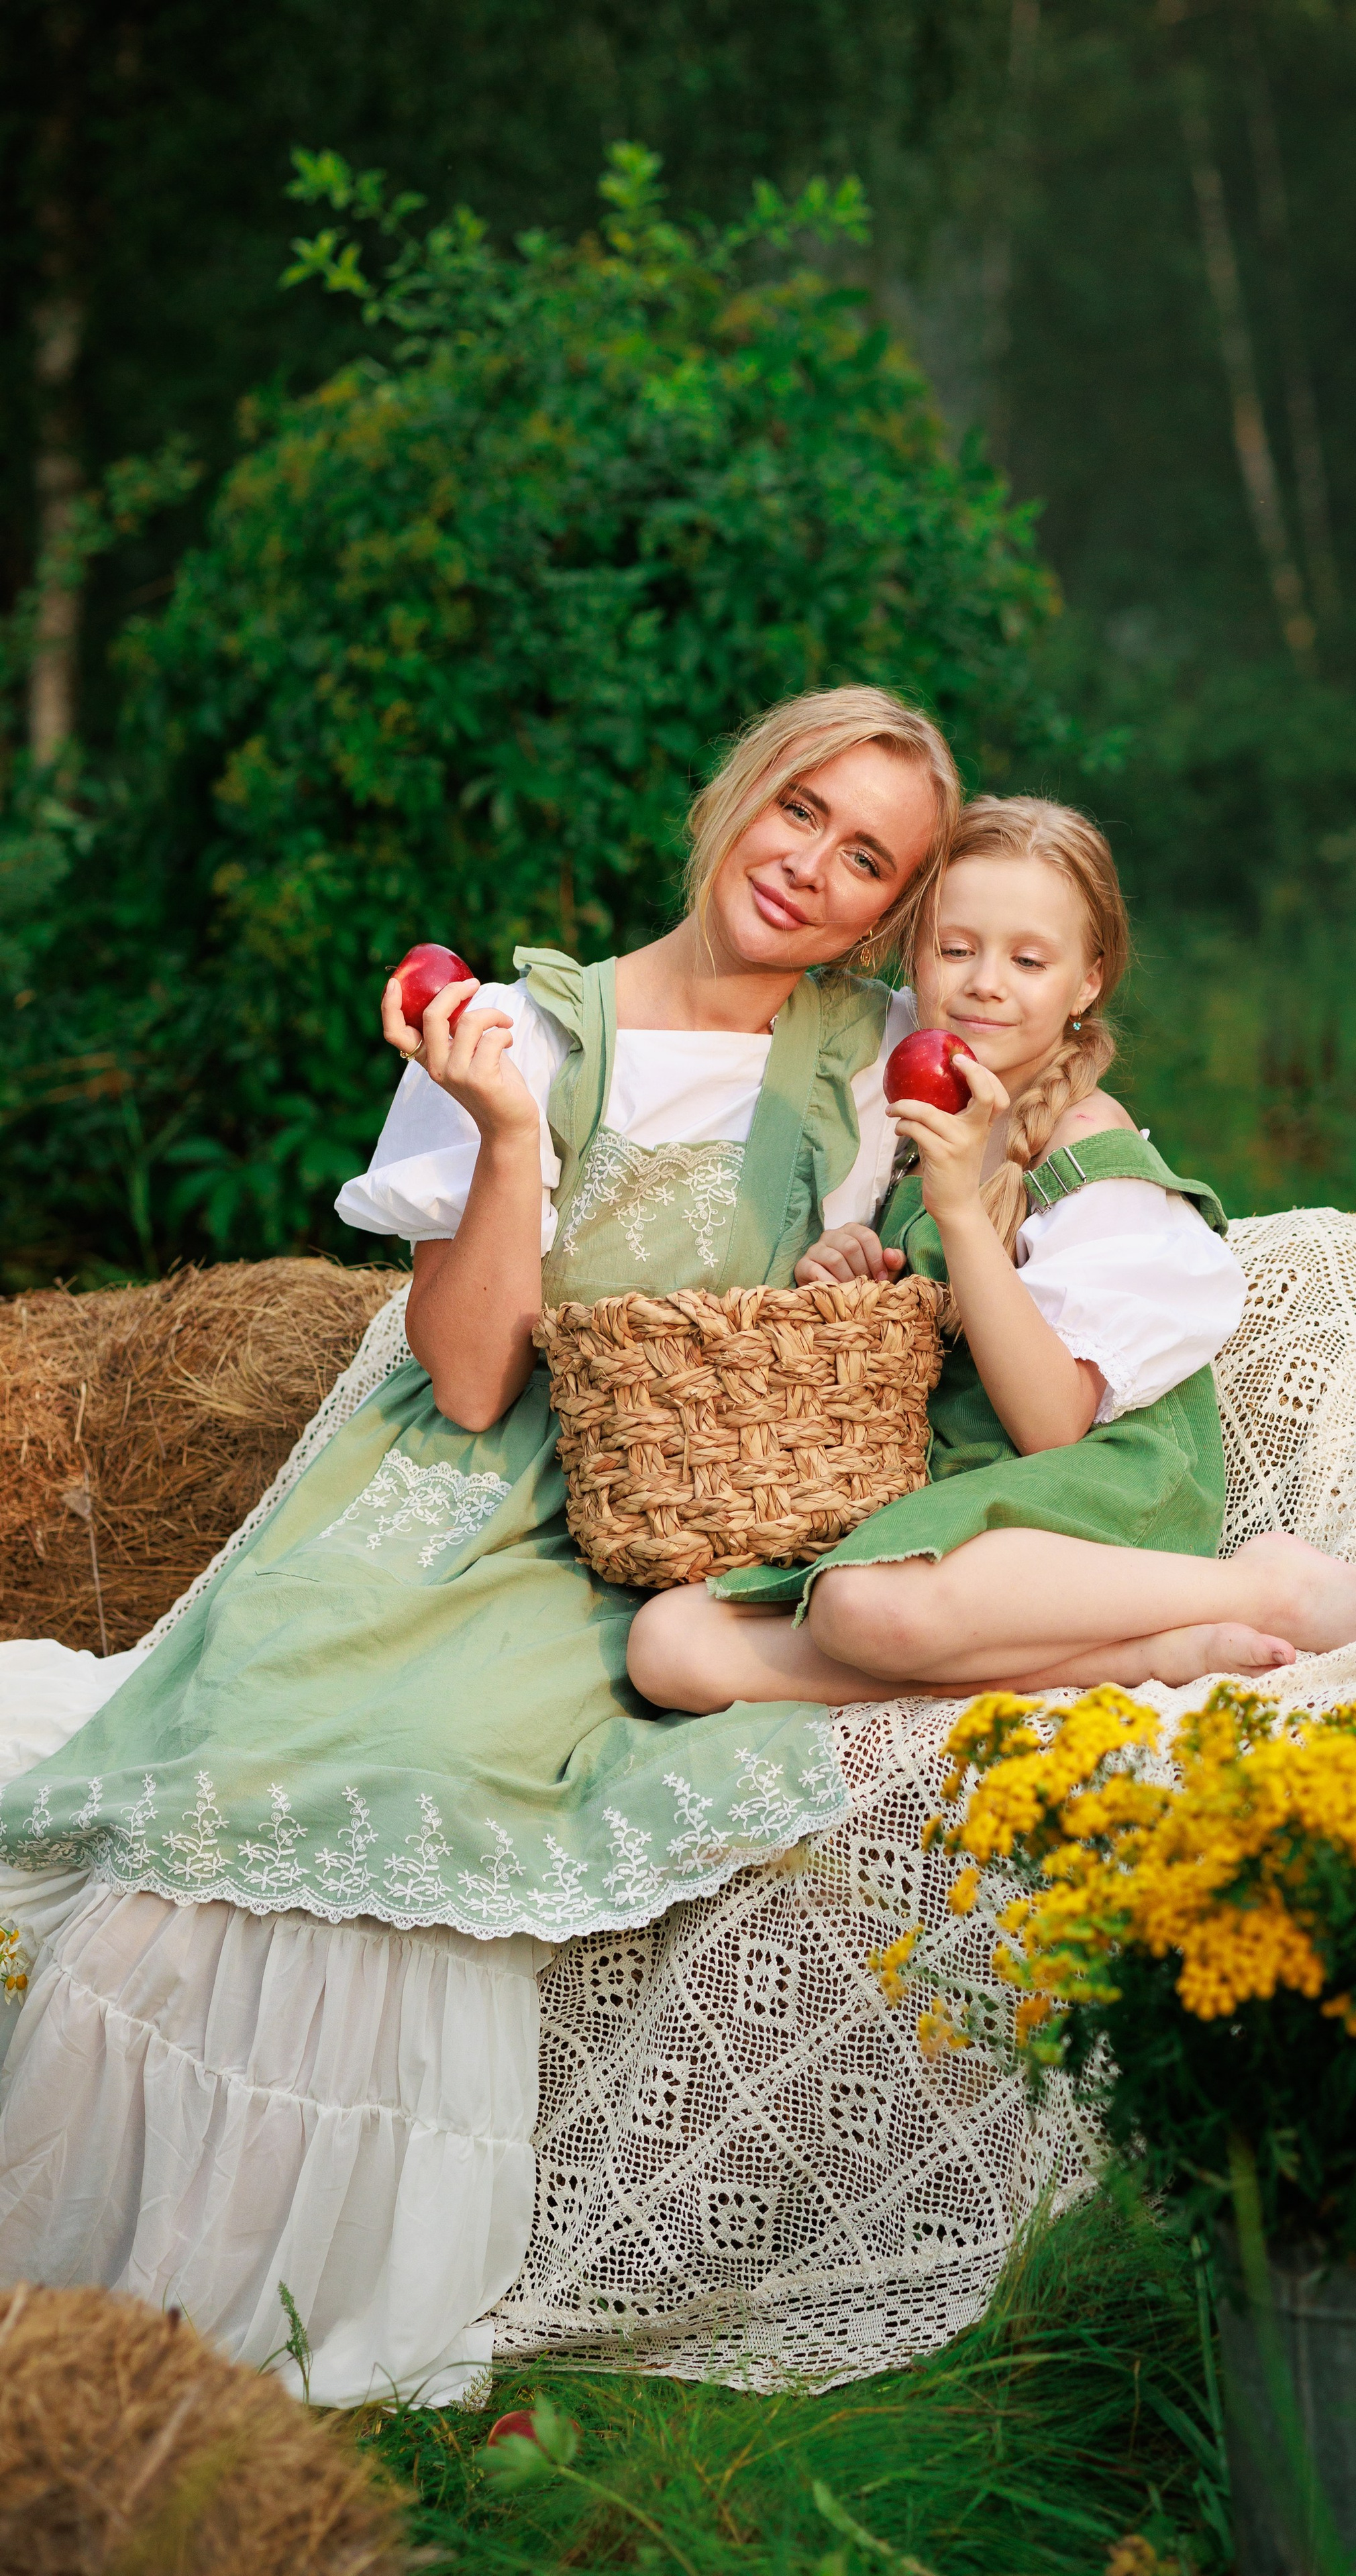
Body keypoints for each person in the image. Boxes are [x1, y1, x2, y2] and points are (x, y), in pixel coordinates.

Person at [0, 685, 958, 2404]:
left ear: (892, 910)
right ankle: (102, 2288)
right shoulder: (522, 1032)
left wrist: (866, 1255)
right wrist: (511, 1132)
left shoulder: (875, 1055)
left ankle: (302, 2300)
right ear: (736, 799)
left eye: (867, 858)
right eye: (800, 810)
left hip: (669, 1506)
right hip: (459, 1484)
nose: (812, 866)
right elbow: (462, 1378)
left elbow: (1021, 1128)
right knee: (251, 1761)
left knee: (432, 1764)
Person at [627, 795, 1356, 1716]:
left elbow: (1055, 1424)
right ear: (914, 956)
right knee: (667, 1645)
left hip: (1091, 1504)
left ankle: (1262, 1589)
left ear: (1086, 984)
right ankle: (1148, 1654)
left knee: (862, 1607)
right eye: (956, 949)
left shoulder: (1082, 1143)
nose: (986, 983)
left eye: (1028, 961)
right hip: (958, 1500)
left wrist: (958, 1212)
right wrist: (852, 1279)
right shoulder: (918, 1125)